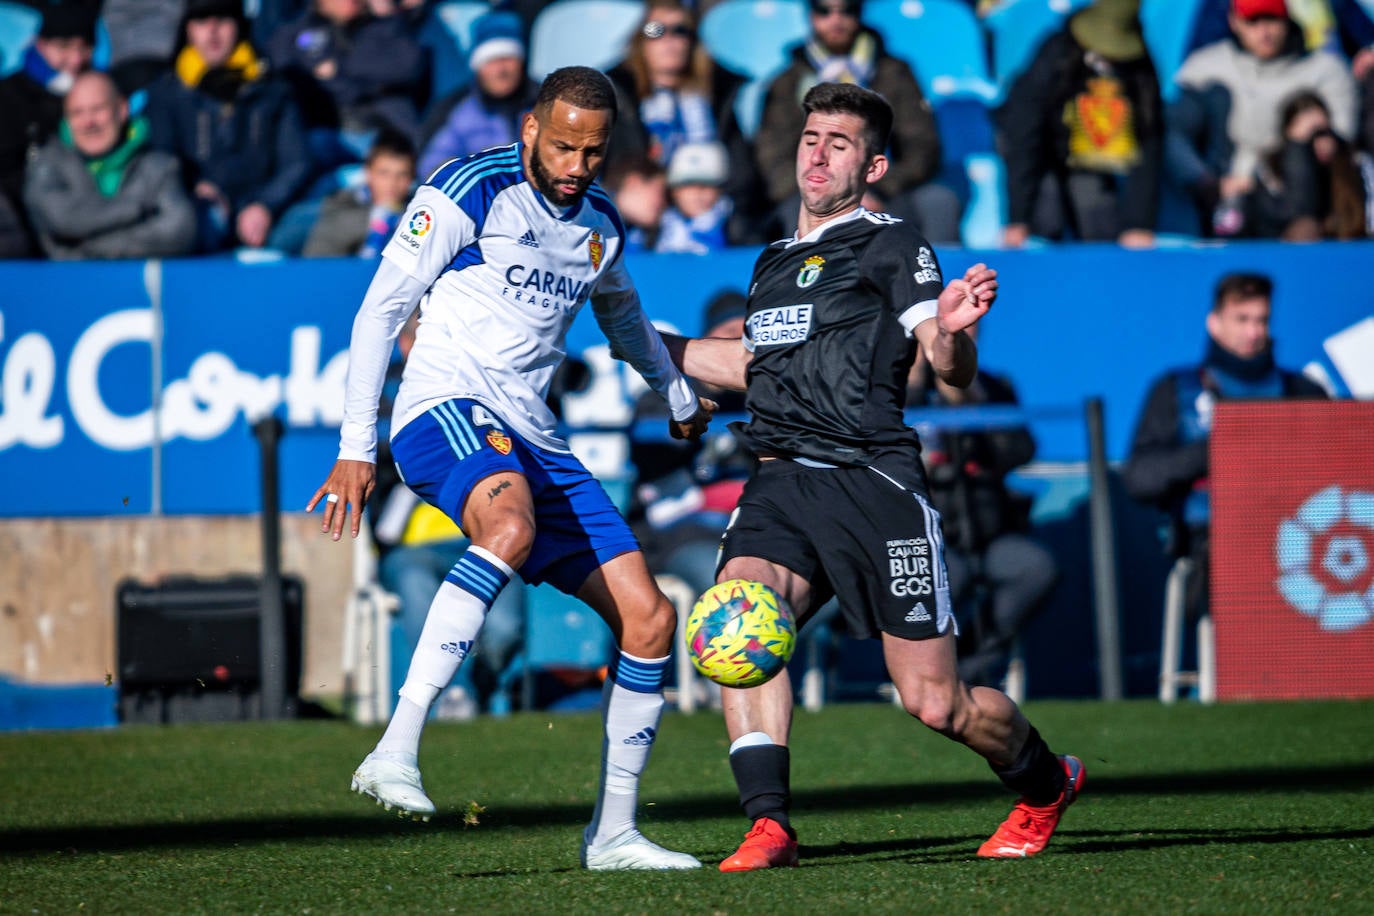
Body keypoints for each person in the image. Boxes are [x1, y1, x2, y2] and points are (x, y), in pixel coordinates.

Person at [663, 82, 1082, 871]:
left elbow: (945, 358)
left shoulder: (893, 243)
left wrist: (954, 334)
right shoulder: (774, 260)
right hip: (783, 479)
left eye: (840, 143)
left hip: (874, 487)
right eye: (812, 136)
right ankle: (769, 824)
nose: (818, 152)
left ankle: (1045, 781)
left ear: (874, 164)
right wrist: (654, 346)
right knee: (740, 612)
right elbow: (757, 366)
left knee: (935, 703)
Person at [306, 66, 713, 871]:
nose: (575, 166)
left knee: (651, 618)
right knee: (511, 527)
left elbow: (622, 314)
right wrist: (357, 445)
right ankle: (396, 746)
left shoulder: (600, 221)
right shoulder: (470, 187)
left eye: (592, 152)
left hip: (533, 433)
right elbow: (381, 310)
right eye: (562, 145)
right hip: (443, 409)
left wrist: (674, 389)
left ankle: (615, 833)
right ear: (531, 128)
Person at [1123, 272, 1328, 624]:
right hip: (1213, 539)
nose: (1252, 332)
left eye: (1261, 320)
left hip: (1300, 539)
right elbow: (1140, 479)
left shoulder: (1302, 391)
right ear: (1214, 322)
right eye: (1242, 319)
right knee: (1232, 555)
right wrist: (1218, 450)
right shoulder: (1176, 390)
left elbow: (1340, 472)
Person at [906, 342, 1058, 688]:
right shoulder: (887, 385)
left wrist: (974, 402)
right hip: (924, 535)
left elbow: (1022, 449)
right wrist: (915, 385)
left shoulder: (992, 386)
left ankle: (969, 660)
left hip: (990, 531)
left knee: (1035, 568)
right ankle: (923, 676)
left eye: (969, 329)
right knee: (944, 579)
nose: (959, 337)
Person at [754, 0, 960, 243]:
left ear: (860, 13)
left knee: (938, 202)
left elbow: (922, 147)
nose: (836, 19)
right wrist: (828, 194)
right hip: (813, 192)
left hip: (884, 191)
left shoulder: (894, 72)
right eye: (824, 10)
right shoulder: (787, 81)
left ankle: (936, 278)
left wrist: (871, 189)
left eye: (847, 9)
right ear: (811, 16)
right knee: (793, 212)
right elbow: (773, 158)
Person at [1166, 0, 1357, 236]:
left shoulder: (1324, 70)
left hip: (1298, 194)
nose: (1264, 32)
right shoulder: (1206, 67)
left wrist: (1309, 136)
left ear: (1287, 19)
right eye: (1253, 22)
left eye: (1272, 20)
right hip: (1229, 191)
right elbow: (1174, 133)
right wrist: (1209, 183)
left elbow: (1342, 138)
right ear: (1234, 22)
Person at [146, 0, 314, 252]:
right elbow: (161, 158)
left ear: (239, 26)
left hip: (270, 219)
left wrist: (264, 205)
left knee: (320, 217)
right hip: (198, 214)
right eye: (202, 21)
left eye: (222, 19)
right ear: (187, 29)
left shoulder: (272, 88)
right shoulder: (166, 92)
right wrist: (194, 188)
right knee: (184, 224)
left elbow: (297, 162)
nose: (212, 30)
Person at [997, 0, 1163, 247]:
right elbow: (1025, 137)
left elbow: (1149, 140)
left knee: (1093, 201)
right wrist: (1018, 219)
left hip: (1094, 166)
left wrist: (1139, 223)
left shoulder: (1138, 67)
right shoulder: (1056, 55)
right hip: (1042, 159)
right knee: (1048, 211)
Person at [604, 0, 765, 244]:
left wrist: (709, 194)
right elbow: (593, 173)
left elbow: (743, 178)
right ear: (640, 41)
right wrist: (620, 200)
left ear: (692, 41)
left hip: (715, 217)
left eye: (680, 30)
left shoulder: (718, 97)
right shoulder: (615, 97)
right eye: (656, 30)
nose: (669, 40)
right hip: (639, 223)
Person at [23, 71, 197, 261]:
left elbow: (178, 230)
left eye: (98, 109)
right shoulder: (47, 164)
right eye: (77, 113)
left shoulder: (157, 166)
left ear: (122, 109)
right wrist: (135, 209)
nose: (89, 122)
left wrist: (93, 248)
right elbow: (62, 221)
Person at [0, 2, 97, 257]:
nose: (75, 60)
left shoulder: (103, 92)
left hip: (88, 221)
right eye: (64, 47)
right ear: (40, 44)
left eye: (84, 47)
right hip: (25, 227)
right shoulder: (9, 97)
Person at [417, 11, 540, 179]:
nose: (500, 70)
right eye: (491, 60)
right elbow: (433, 165)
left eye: (508, 58)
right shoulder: (459, 109)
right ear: (478, 67)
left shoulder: (545, 104)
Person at [1246, 90, 1372, 239]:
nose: (1318, 143)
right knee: (1305, 227)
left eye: (1321, 133)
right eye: (1308, 137)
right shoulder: (1270, 167)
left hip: (1353, 254)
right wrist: (1299, 149)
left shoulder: (1354, 161)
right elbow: (1297, 212)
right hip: (1286, 255)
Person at [303, 128, 416, 257]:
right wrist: (378, 219)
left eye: (402, 175)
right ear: (368, 173)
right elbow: (317, 256)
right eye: (384, 173)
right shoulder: (339, 205)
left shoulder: (417, 213)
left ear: (412, 178)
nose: (392, 183)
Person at [654, 141, 734, 254]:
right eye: (687, 185)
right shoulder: (654, 229)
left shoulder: (735, 228)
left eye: (706, 185)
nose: (697, 193)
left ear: (720, 190)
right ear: (674, 191)